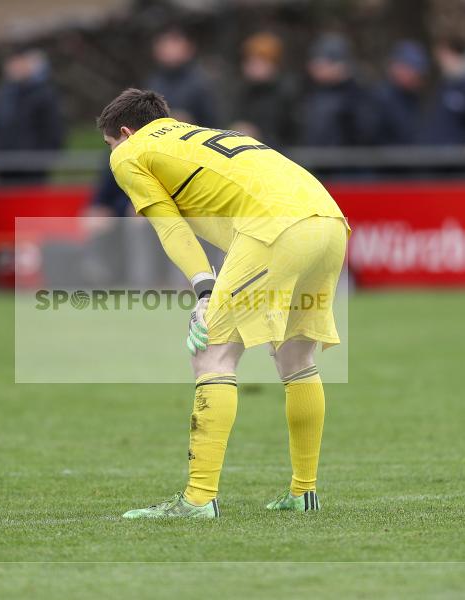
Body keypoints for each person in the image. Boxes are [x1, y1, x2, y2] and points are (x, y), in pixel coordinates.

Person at [98, 89, 349, 518]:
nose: (113, 154)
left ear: (124, 131)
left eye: (111, 144)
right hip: (330, 221)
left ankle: (198, 500)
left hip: (275, 228)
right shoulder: (195, 135)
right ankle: (304, 493)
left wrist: (204, 291)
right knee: (296, 360)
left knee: (211, 354)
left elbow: (170, 228)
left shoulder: (129, 151)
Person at [0, 47, 65, 181]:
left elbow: (54, 130)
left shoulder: (44, 94)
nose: (14, 67)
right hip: (4, 165)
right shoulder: (4, 94)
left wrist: (43, 160)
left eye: (18, 63)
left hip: (32, 166)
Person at [299, 34, 377, 148]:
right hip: (311, 161)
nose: (314, 69)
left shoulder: (358, 94)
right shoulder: (308, 91)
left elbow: (366, 133)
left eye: (321, 64)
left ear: (340, 65)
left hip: (344, 162)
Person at [421, 37, 465, 155]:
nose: (439, 60)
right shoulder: (447, 82)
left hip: (460, 160)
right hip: (440, 158)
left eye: (442, 54)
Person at [230, 31, 298, 149]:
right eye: (249, 62)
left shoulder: (287, 92)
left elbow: (292, 134)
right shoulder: (243, 91)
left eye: (259, 62)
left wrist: (258, 137)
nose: (252, 67)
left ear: (273, 64)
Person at [145, 27, 219, 126]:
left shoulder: (201, 82)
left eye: (175, 44)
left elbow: (213, 121)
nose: (170, 50)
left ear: (188, 48)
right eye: (165, 44)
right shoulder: (153, 81)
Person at [374, 40, 429, 146]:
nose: (416, 77)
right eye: (412, 70)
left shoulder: (413, 97)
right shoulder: (381, 98)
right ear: (396, 67)